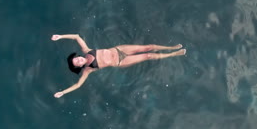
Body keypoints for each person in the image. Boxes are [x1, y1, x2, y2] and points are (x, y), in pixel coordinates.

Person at [51, 34, 186, 98]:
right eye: (78, 63)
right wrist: (63, 92)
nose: (80, 60)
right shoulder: (88, 69)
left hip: (119, 50)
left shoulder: (86, 51)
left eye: (77, 58)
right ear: (79, 67)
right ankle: (173, 54)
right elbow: (78, 85)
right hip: (120, 62)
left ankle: (171, 47)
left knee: (148, 47)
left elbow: (76, 37)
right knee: (148, 56)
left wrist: (60, 37)